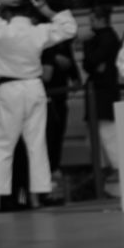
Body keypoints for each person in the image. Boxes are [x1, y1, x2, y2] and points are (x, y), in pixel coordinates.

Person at [0, 0, 77, 213]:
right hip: (35, 87)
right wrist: (46, 9)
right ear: (30, 13)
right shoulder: (38, 31)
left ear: (7, 12)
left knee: (2, 145)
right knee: (36, 144)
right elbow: (70, 28)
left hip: (10, 89)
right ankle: (36, 198)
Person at [82, 6, 122, 175]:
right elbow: (90, 65)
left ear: (101, 20)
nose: (90, 24)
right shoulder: (103, 38)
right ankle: (104, 170)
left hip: (103, 91)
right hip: (100, 90)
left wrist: (87, 47)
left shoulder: (107, 38)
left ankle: (117, 169)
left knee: (107, 133)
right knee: (96, 134)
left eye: (92, 20)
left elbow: (90, 62)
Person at [41, 36, 80, 205]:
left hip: (60, 96)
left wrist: (75, 76)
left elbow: (70, 63)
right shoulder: (43, 38)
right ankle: (44, 184)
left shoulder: (62, 41)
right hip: (45, 96)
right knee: (46, 140)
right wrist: (54, 58)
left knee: (57, 136)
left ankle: (54, 171)